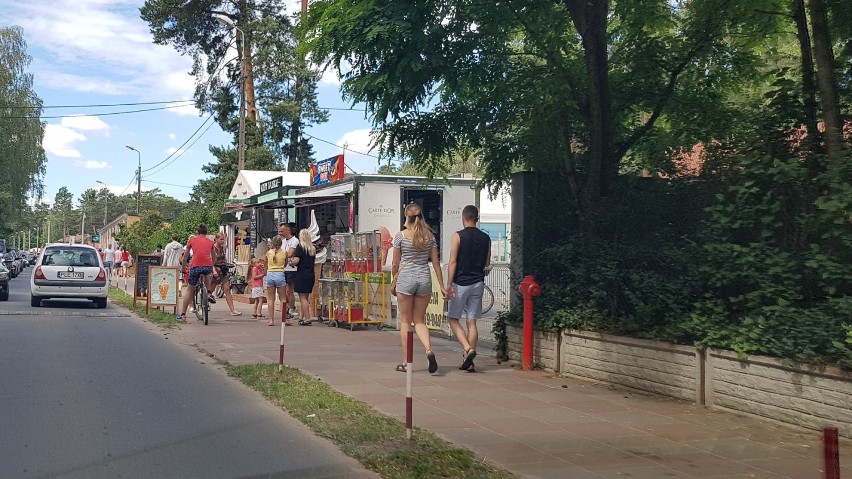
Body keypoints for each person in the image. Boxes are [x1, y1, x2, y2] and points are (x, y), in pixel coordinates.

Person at [392, 203, 449, 374]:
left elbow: (395, 262)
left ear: (405, 216)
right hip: (424, 278)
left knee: (404, 321)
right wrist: (441, 285)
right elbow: (436, 263)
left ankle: (406, 362)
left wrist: (394, 277)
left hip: (406, 279)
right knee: (419, 320)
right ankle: (429, 350)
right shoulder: (430, 237)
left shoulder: (400, 236)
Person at [445, 205, 491, 372]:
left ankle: (468, 349)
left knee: (453, 319)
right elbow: (486, 263)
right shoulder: (486, 238)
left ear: (463, 218)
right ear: (476, 218)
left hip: (460, 283)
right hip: (478, 283)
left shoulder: (457, 236)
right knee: (472, 322)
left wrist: (449, 285)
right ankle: (469, 363)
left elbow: (452, 261)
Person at [176, 224, 218, 322]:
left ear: (197, 232)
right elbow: (214, 255)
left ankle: (183, 315)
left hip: (195, 266)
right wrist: (212, 265)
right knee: (207, 274)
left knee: (190, 289)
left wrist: (183, 268)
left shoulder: (192, 240)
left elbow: (185, 256)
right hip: (207, 266)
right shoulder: (210, 242)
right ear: (206, 232)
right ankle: (208, 293)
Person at [290, 229, 316, 325]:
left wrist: (291, 263)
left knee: (302, 298)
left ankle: (307, 319)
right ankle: (301, 317)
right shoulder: (312, 248)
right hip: (310, 274)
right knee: (305, 297)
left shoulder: (300, 247)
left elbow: (296, 260)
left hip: (302, 274)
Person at [213, 232, 242, 316]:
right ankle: (203, 305)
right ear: (216, 239)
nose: (223, 241)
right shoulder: (212, 248)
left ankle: (232, 310)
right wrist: (213, 270)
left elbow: (224, 258)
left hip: (223, 270)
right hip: (216, 271)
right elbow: (210, 261)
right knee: (210, 290)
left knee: (227, 289)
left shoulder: (222, 248)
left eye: (224, 239)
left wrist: (226, 264)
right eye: (221, 239)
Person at [265, 235, 290, 326]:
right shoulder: (285, 253)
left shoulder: (268, 253)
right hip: (280, 274)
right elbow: (285, 263)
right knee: (283, 298)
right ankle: (284, 319)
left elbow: (266, 264)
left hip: (270, 274)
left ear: (272, 243)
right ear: (281, 243)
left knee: (271, 298)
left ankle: (271, 320)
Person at [279, 223, 299, 319]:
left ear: (288, 230)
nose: (281, 233)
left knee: (289, 290)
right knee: (282, 290)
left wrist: (281, 255)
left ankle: (291, 308)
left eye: (282, 231)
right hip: (282, 268)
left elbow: (290, 253)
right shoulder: (282, 241)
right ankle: (286, 307)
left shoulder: (295, 241)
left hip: (291, 268)